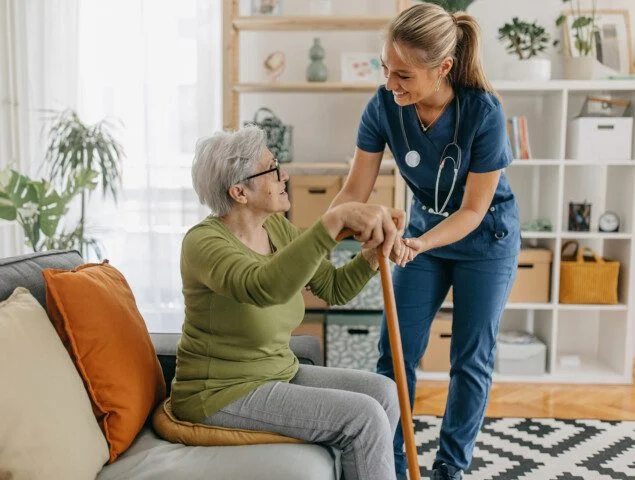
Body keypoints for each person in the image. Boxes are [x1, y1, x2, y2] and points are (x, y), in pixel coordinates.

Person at [331, 4, 521, 480]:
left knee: (469, 359)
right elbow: (354, 193)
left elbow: (473, 211)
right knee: (394, 352)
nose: (390, 83)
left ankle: (449, 470)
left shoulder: (483, 112)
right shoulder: (383, 107)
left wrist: (419, 244)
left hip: (486, 238)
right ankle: (391, 463)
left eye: (403, 75)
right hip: (419, 239)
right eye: (384, 69)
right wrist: (316, 239)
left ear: (442, 69)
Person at [171, 125, 409, 480]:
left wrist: (373, 257)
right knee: (364, 416)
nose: (284, 175)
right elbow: (263, 288)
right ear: (239, 191)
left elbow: (333, 288)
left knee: (384, 392)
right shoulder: (203, 244)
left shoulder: (276, 229)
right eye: (271, 169)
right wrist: (333, 220)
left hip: (276, 372)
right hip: (220, 392)